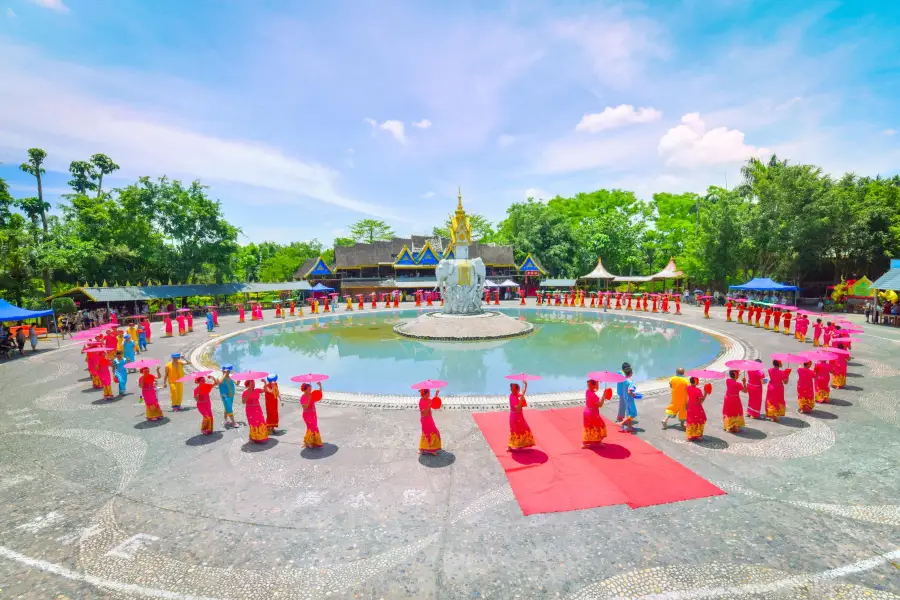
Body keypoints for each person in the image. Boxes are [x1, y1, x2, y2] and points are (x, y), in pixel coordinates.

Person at [508, 381, 536, 450]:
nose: (519, 391)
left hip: (520, 416)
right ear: (515, 390)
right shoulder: (512, 397)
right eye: (518, 389)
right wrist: (520, 400)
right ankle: (510, 446)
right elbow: (517, 408)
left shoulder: (516, 394)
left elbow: (523, 392)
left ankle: (520, 443)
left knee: (523, 428)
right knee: (514, 430)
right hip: (515, 417)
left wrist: (526, 385)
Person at [583, 379, 609, 447]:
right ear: (594, 385)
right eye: (596, 384)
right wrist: (604, 396)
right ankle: (598, 442)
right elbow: (600, 405)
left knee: (589, 427)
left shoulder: (587, 391)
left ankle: (586, 443)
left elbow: (596, 389)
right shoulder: (593, 395)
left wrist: (597, 382)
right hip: (592, 413)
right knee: (599, 426)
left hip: (586, 412)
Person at [418, 387, 442, 455]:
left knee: (430, 432)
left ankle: (422, 448)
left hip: (429, 418)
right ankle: (431, 450)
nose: (429, 394)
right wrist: (428, 405)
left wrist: (436, 395)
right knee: (429, 433)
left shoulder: (428, 399)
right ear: (425, 394)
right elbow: (424, 413)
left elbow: (433, 403)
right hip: (425, 420)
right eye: (429, 393)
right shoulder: (421, 401)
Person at [685, 377, 710, 441]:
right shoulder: (698, 390)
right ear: (696, 382)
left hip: (690, 405)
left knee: (691, 419)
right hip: (697, 406)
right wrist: (705, 393)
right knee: (699, 419)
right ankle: (698, 435)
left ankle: (691, 435)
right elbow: (701, 401)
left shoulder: (687, 388)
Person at [300, 382, 324, 447]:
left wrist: (320, 386)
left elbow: (319, 395)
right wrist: (309, 398)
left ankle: (313, 441)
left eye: (311, 389)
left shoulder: (311, 395)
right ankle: (308, 441)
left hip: (313, 414)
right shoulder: (302, 397)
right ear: (305, 390)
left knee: (315, 427)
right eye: (309, 389)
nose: (310, 390)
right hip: (307, 415)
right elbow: (305, 407)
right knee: (311, 427)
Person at [619, 366, 638, 433]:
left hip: (625, 398)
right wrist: (634, 395)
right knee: (634, 413)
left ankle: (629, 427)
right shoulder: (630, 381)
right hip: (629, 399)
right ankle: (623, 422)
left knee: (629, 413)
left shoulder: (624, 379)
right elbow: (630, 391)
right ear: (630, 373)